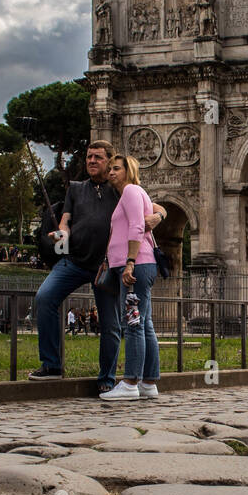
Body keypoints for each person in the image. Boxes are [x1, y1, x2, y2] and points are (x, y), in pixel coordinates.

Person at [29, 141, 126, 392]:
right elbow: (65, 221)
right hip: (73, 261)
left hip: (106, 265)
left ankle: (106, 379)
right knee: (44, 298)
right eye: (89, 157)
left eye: (98, 157)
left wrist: (157, 216)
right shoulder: (75, 189)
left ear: (109, 160)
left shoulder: (120, 189)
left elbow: (146, 208)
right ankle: (51, 365)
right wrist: (61, 234)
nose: (92, 161)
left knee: (111, 325)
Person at [99, 154, 163, 401]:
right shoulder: (135, 193)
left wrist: (130, 263)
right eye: (110, 169)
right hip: (138, 264)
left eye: (116, 168)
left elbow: (137, 226)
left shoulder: (131, 192)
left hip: (135, 265)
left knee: (133, 323)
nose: (111, 172)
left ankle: (130, 382)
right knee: (144, 323)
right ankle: (148, 382)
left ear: (129, 170)